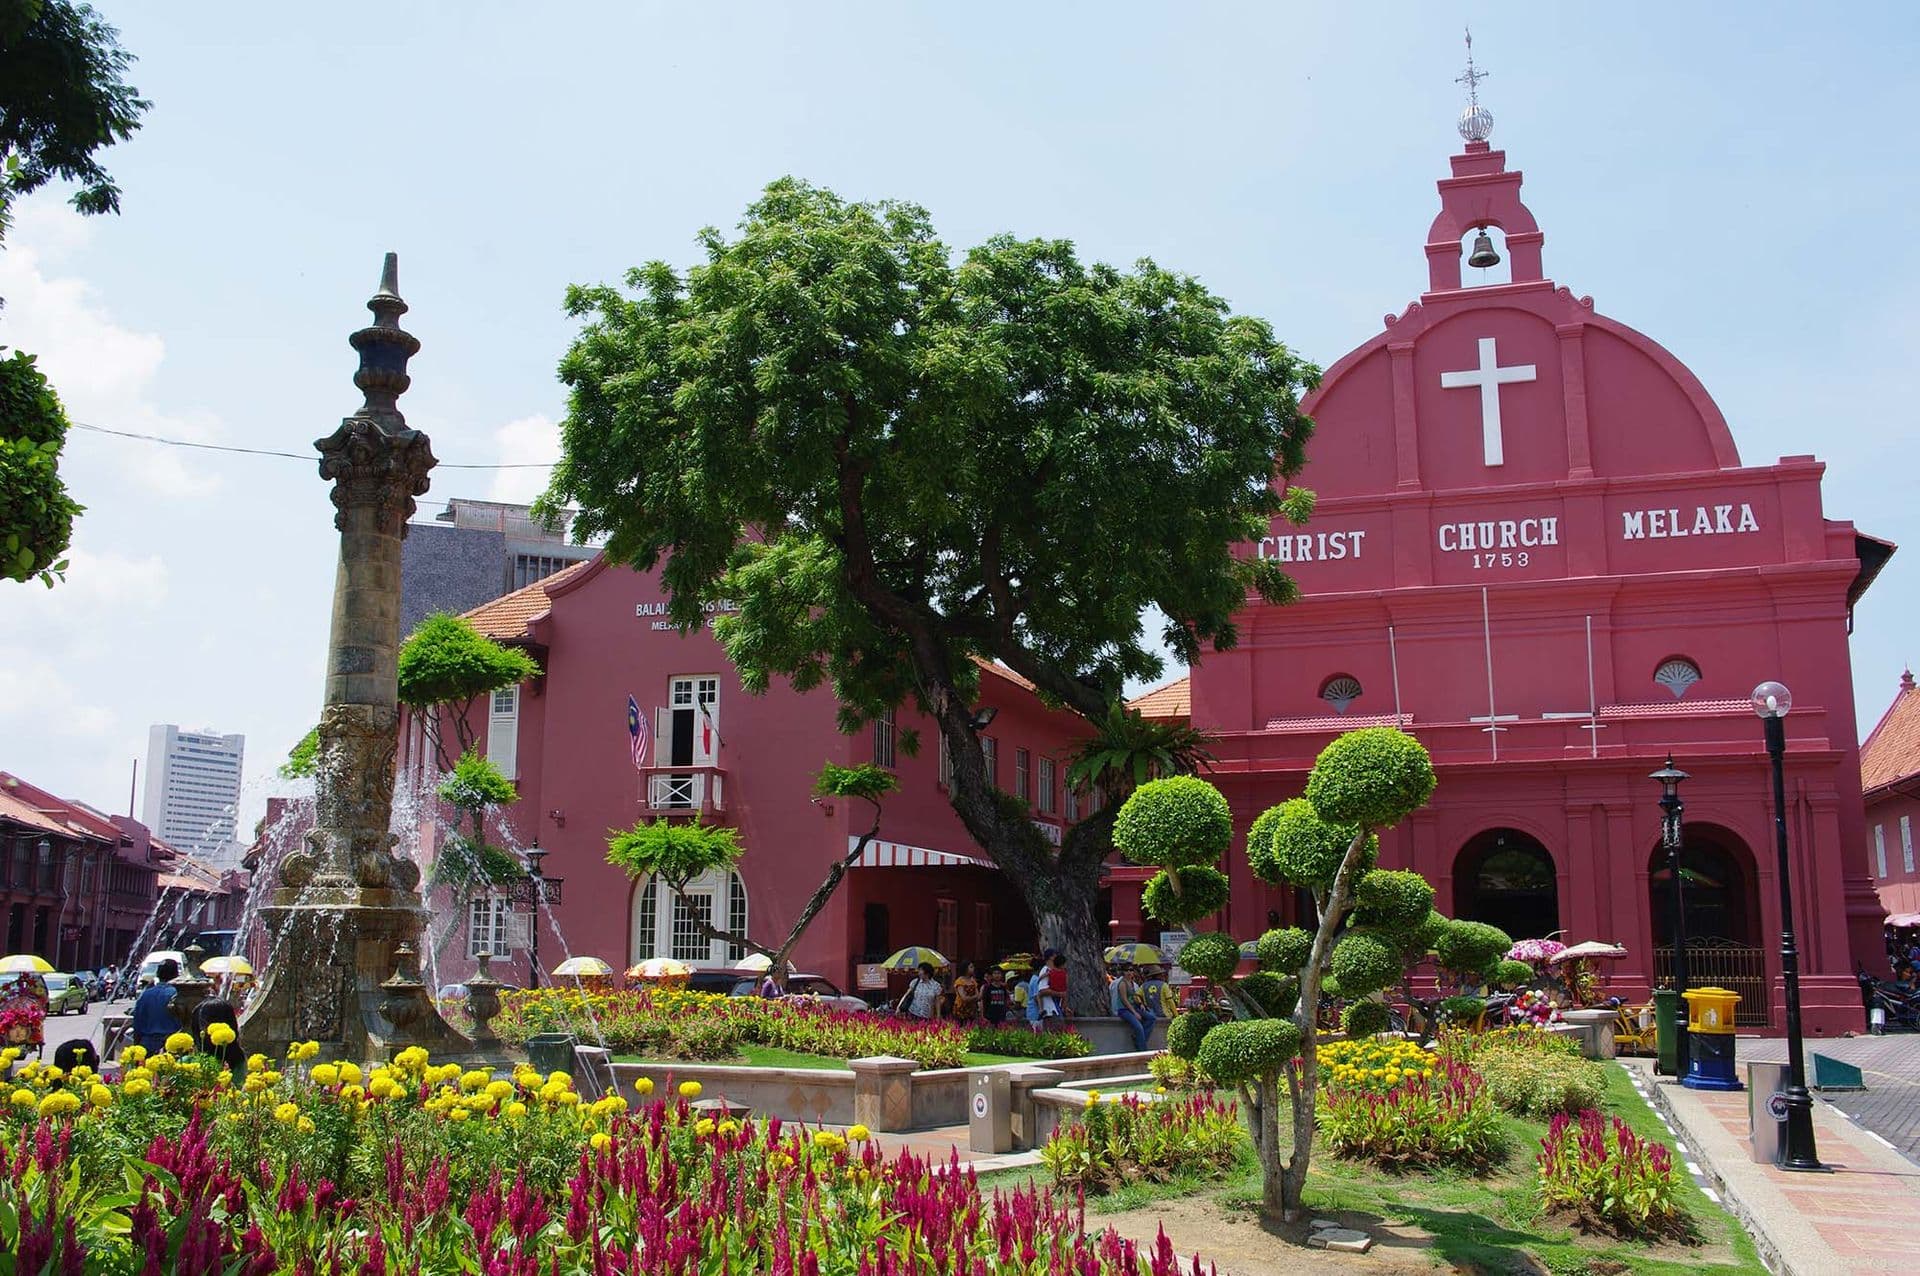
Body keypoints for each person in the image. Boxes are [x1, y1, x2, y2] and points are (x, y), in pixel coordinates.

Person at [131, 959, 181, 1056]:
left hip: (148, 1046)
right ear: (176, 975)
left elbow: (137, 1023)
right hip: (172, 1046)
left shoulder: (145, 995)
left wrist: (136, 1050)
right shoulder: (177, 994)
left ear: (157, 974)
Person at [192, 999, 247, 1073]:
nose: (203, 1028)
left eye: (204, 1022)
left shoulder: (238, 1060)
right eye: (201, 1022)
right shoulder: (190, 1059)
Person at [1109, 964, 1151, 1051]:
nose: (1129, 972)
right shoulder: (1122, 983)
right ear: (1123, 972)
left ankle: (1139, 1039)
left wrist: (1141, 1004)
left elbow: (1135, 997)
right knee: (1138, 1027)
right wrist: (1134, 1013)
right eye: (1126, 970)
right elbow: (1124, 1000)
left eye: (1131, 970)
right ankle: (1142, 1050)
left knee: (1151, 1018)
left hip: (1134, 1007)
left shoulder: (1134, 984)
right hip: (1124, 1009)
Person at [1042, 951, 1069, 1030]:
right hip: (1052, 1008)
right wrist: (1060, 994)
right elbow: (1042, 991)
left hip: (1055, 1004)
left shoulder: (1050, 972)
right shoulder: (1048, 970)